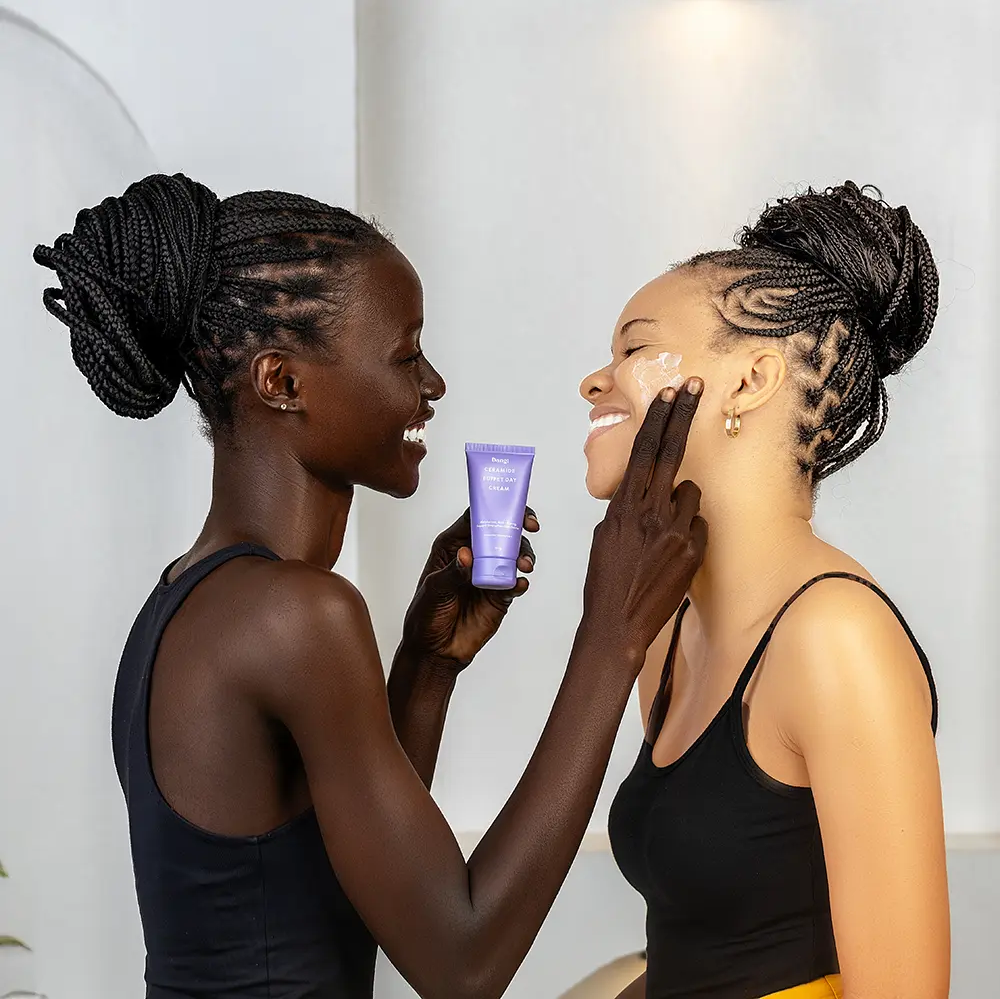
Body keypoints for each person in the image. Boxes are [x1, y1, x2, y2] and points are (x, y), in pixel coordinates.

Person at [33, 173, 708, 999]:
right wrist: (612, 632)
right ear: (283, 383)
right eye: (405, 354)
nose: (432, 384)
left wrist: (426, 673)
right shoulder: (294, 615)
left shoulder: (186, 599)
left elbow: (345, 896)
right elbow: (462, 962)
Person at [578, 182, 949, 999]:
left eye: (634, 350)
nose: (594, 382)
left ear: (751, 381)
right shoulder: (673, 625)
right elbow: (699, 955)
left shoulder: (836, 639)